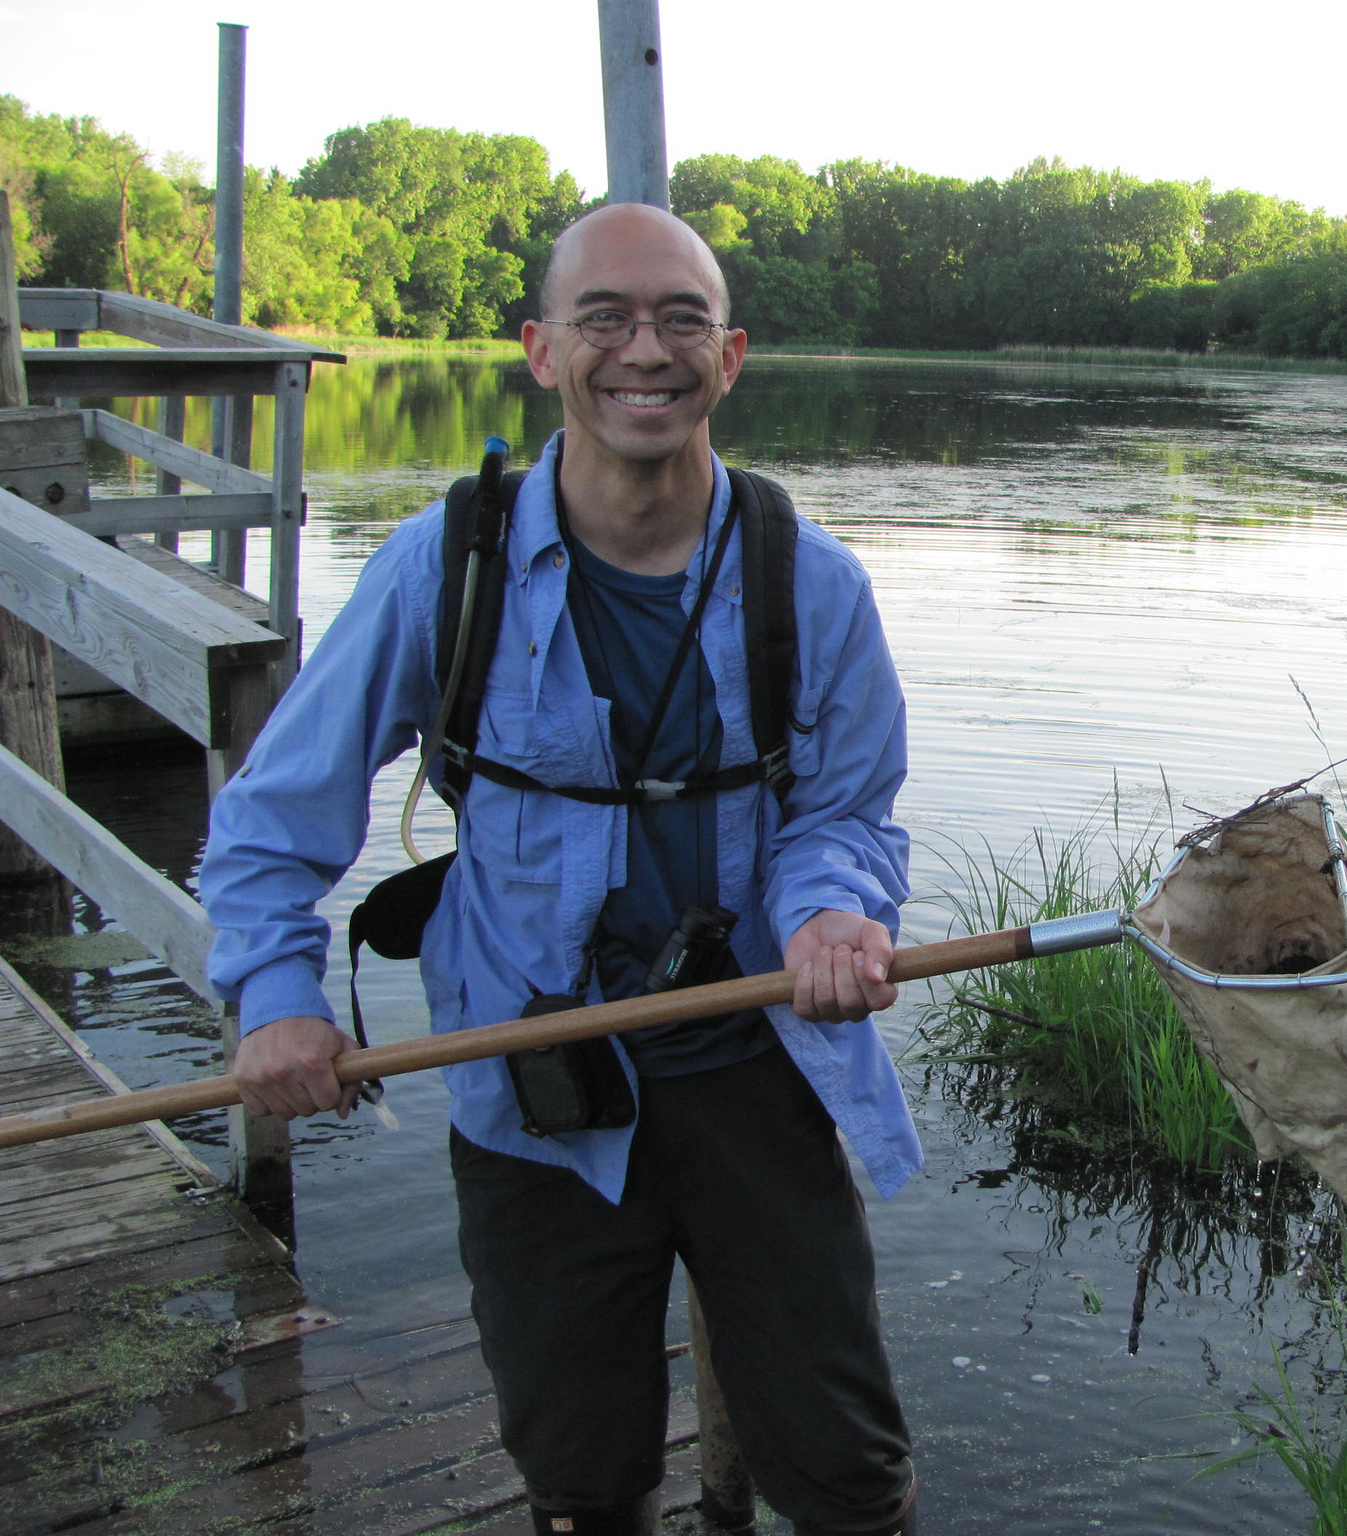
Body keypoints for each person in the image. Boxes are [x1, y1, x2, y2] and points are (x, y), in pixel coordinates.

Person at [198, 203, 921, 1536]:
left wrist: (830, 909)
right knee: (583, 1483)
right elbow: (268, 824)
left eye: (681, 320)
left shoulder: (811, 582)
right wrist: (276, 993)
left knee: (844, 1471)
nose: (643, 351)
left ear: (732, 355)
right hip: (531, 1090)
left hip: (759, 1076)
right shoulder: (443, 569)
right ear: (541, 351)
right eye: (604, 317)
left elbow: (853, 813)